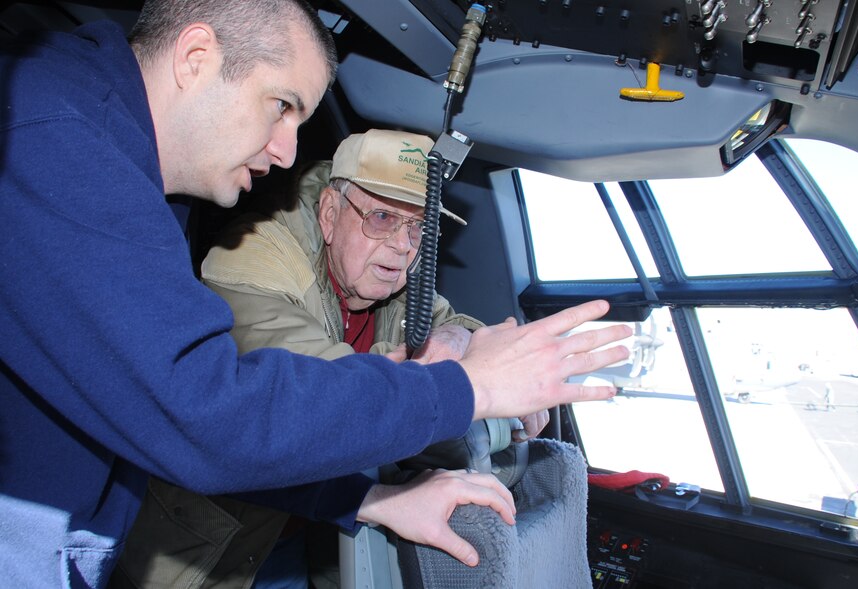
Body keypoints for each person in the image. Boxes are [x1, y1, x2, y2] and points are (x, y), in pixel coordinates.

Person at [0, 1, 631, 587]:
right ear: (196, 60)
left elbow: (147, 410)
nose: (287, 152)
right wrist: (472, 386)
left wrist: (366, 498)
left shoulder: (128, 169)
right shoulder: (52, 135)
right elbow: (215, 414)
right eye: (281, 105)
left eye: (418, 229)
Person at [113, 128, 551, 589]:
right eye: (382, 217)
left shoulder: (395, 283)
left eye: (418, 226)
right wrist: (460, 376)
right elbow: (311, 401)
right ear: (328, 214)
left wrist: (455, 339)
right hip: (206, 547)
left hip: (317, 532)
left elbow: (454, 325)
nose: (403, 246)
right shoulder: (250, 255)